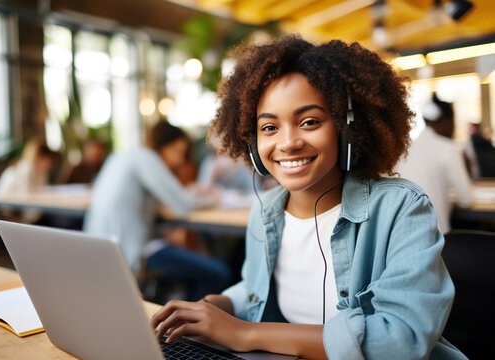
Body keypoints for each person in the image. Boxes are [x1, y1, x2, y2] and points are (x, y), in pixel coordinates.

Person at [151, 35, 466, 359]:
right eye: (269, 127)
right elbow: (257, 288)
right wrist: (220, 305)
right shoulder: (267, 211)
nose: (288, 142)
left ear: (347, 129)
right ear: (252, 142)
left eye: (309, 122)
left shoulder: (402, 210)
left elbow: (400, 340)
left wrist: (245, 333)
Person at [83, 121, 232, 302]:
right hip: (133, 255)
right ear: (163, 146)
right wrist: (216, 198)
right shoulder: (146, 159)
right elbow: (183, 204)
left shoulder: (120, 157)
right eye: (178, 152)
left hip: (100, 251)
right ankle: (186, 324)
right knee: (219, 273)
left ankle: (181, 313)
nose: (181, 161)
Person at [395, 94, 472, 234]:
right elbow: (465, 199)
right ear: (445, 121)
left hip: (402, 236)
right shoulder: (447, 148)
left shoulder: (405, 148)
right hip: (436, 239)